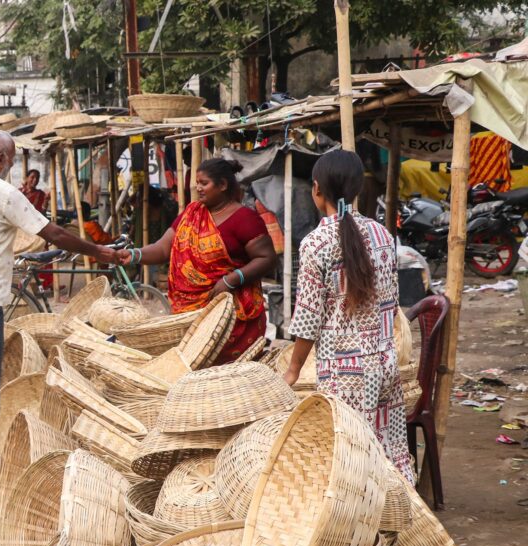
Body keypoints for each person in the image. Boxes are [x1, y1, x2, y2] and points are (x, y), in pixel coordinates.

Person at [0, 129, 119, 476]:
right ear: (0, 159)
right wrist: (97, 250)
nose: (11, 166)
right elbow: (53, 233)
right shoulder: (1, 191)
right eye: (11, 160)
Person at [286, 150, 413, 484]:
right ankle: (401, 517)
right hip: (385, 365)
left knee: (352, 463)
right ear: (357, 189)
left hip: (344, 375)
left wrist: (293, 369)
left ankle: (364, 530)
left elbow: (308, 319)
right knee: (388, 451)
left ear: (316, 189)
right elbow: (392, 301)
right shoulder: (384, 236)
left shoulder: (315, 244)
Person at [118, 158, 277, 364]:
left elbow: (267, 259)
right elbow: (164, 247)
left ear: (222, 185)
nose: (198, 188)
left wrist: (231, 280)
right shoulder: (192, 214)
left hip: (233, 317)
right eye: (197, 183)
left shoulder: (245, 218)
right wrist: (134, 255)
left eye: (204, 183)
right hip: (191, 316)